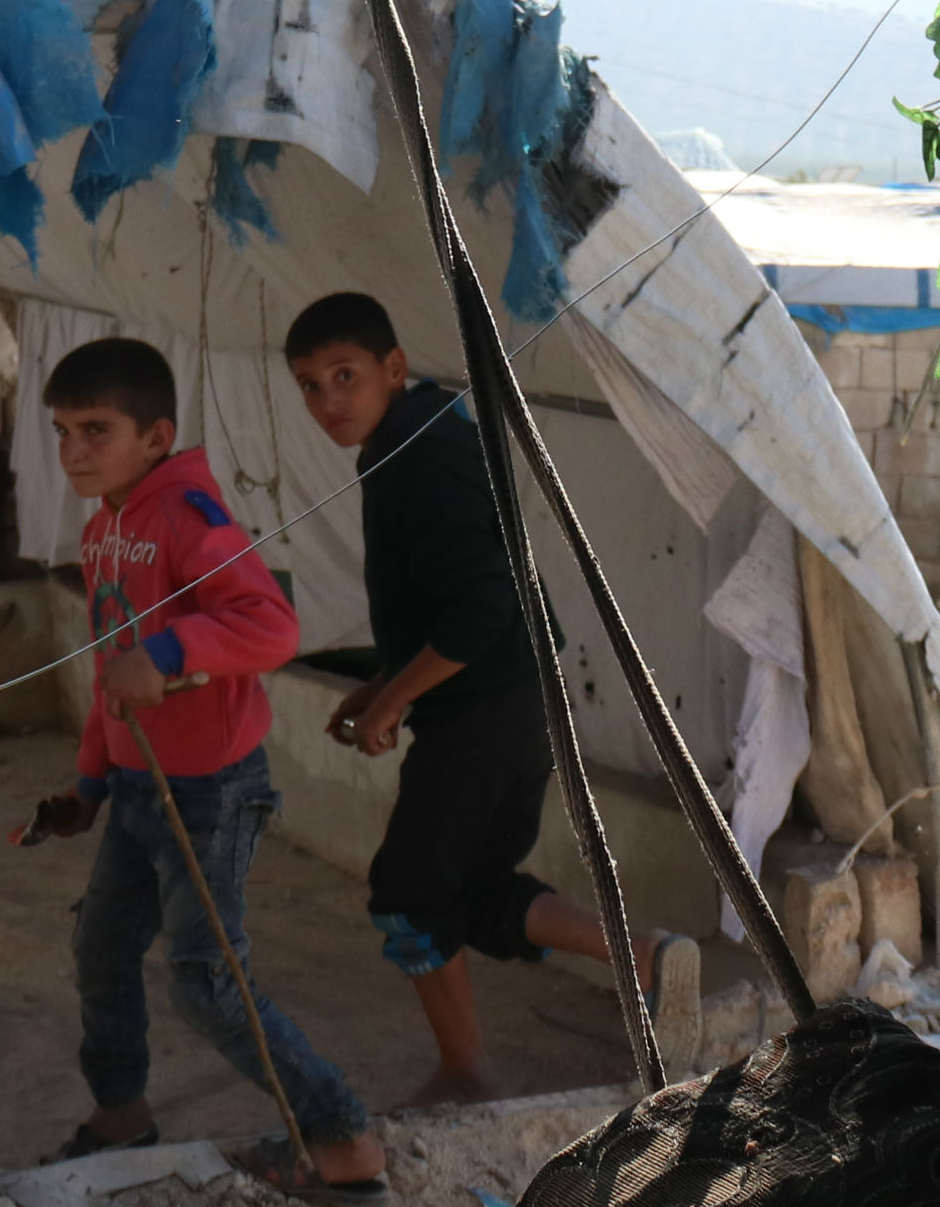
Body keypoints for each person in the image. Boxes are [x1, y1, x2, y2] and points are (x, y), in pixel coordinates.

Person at [282, 293, 697, 1104]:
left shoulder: (420, 454)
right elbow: (456, 604)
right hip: (515, 696)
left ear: (393, 369)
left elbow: (478, 615)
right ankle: (644, 953)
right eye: (309, 385)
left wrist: (394, 700)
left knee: (408, 893)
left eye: (345, 376)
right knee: (469, 887)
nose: (329, 401)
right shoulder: (411, 438)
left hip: (490, 705)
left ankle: (466, 1072)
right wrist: (378, 684)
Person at [16, 336, 383, 1200]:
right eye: (63, 431)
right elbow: (116, 672)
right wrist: (90, 782)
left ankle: (343, 1140)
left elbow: (271, 627)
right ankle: (121, 1113)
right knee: (100, 949)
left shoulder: (190, 520)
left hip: (212, 792)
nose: (73, 451)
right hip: (140, 785)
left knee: (207, 982)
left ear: (156, 436)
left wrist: (176, 653)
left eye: (96, 430)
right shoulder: (105, 525)